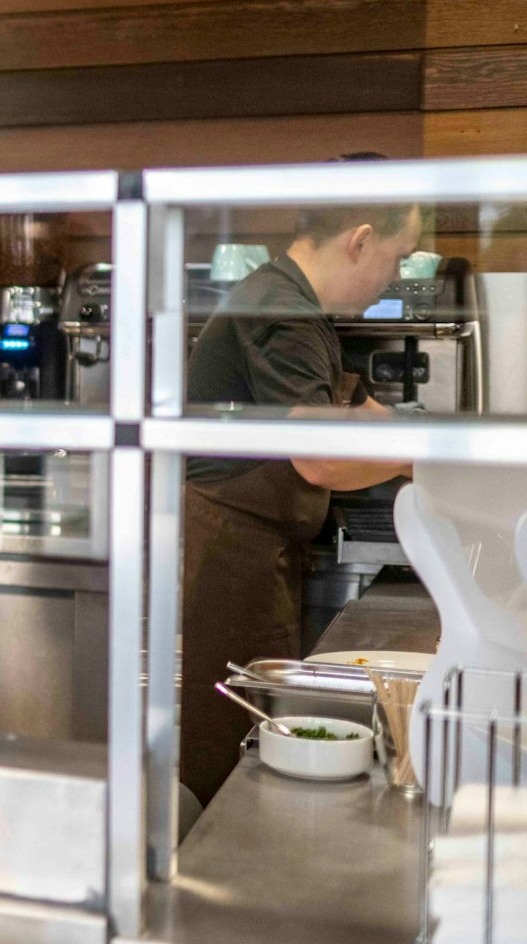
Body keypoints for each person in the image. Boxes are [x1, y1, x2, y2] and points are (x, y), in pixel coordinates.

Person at [179, 154, 419, 804]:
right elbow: (321, 456)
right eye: (398, 257)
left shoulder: (283, 297)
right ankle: (211, 893)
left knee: (245, 750)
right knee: (233, 764)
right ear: (361, 239)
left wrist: (442, 442)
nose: (394, 276)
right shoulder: (284, 313)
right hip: (233, 565)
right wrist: (415, 459)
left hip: (249, 555)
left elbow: (354, 411)